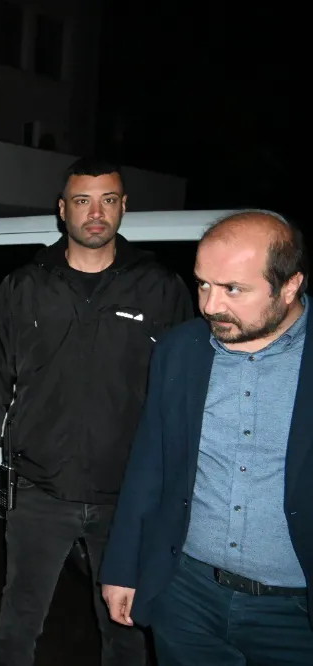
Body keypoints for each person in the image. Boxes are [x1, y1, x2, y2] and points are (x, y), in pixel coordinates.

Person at [0, 157, 194, 666]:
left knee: (126, 632)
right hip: (39, 491)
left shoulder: (160, 287)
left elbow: (185, 396)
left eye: (108, 200)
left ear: (123, 207)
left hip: (129, 496)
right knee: (17, 626)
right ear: (63, 210)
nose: (95, 213)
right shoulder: (24, 286)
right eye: (83, 201)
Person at [101, 210, 313, 665]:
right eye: (202, 284)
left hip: (296, 614)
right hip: (186, 596)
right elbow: (149, 465)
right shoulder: (180, 349)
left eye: (233, 289)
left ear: (290, 286)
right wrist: (123, 567)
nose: (210, 305)